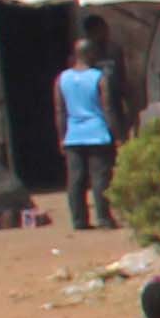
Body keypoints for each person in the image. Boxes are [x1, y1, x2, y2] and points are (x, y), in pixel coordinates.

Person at [54, 32, 116, 232]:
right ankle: (104, 218)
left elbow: (60, 111)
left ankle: (79, 220)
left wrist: (62, 137)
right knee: (100, 178)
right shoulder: (99, 78)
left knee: (75, 179)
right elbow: (107, 107)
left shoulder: (62, 79)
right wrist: (115, 132)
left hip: (74, 135)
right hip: (97, 133)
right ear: (90, 54)